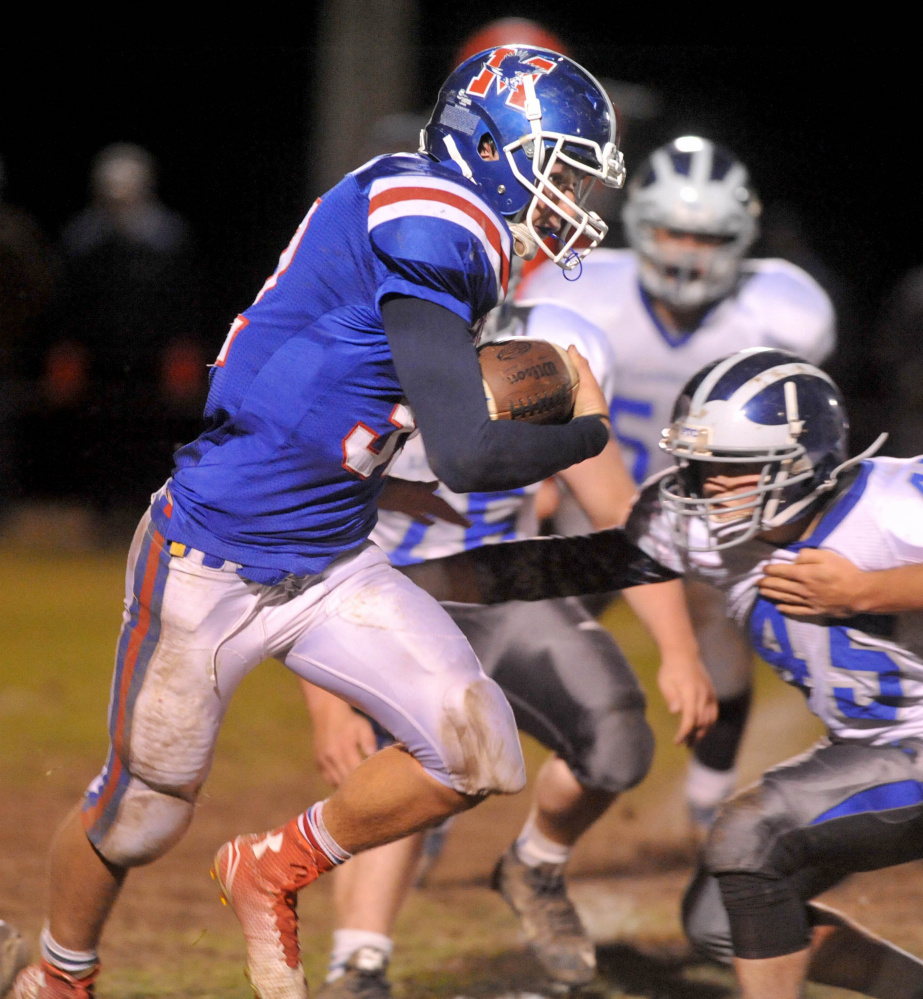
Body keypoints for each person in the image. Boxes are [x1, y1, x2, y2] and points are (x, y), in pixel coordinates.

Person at [6, 45, 634, 999]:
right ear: (498, 148)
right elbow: (465, 448)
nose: (574, 191)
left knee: (478, 746)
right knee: (143, 815)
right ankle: (59, 973)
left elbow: (346, 386)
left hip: (333, 553)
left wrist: (388, 470)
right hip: (211, 556)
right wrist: (585, 432)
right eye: (563, 164)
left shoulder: (439, 213)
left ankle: (271, 866)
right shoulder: (435, 220)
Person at [302, 296, 715, 998]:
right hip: (388, 597)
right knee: (423, 752)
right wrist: (326, 706)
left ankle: (533, 863)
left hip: (504, 593)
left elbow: (620, 520)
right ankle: (357, 961)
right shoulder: (387, 401)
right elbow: (311, 545)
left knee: (617, 740)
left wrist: (679, 648)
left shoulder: (547, 373)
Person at [516, 135, 836, 831]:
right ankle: (441, 807)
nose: (688, 250)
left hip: (710, 516)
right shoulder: (580, 288)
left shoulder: (780, 309)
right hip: (592, 509)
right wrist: (535, 473)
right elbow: (531, 398)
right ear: (639, 227)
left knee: (720, 657)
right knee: (519, 656)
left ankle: (703, 805)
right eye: (672, 230)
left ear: (739, 237)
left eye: (706, 234)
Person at [624, 346, 923, 998]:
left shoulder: (898, 501)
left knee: (750, 837)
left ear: (799, 460)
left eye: (732, 468)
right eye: (702, 467)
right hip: (875, 747)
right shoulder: (695, 528)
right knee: (719, 920)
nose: (709, 487)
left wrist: (871, 591)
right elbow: (603, 561)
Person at [30, 143, 205, 522]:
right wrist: (65, 355)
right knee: (97, 433)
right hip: (99, 358)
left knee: (155, 434)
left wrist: (183, 356)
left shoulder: (170, 239)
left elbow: (187, 303)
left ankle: (148, 509)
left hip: (152, 359)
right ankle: (100, 510)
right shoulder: (81, 240)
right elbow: (65, 304)